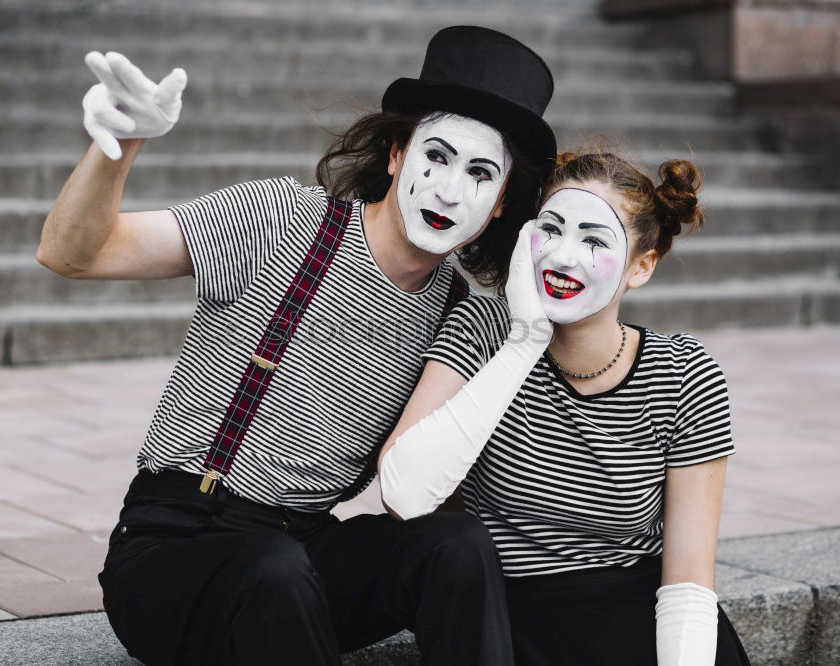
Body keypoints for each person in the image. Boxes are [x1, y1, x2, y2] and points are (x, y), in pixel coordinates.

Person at [36, 26, 557, 666]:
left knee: (456, 545)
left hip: (304, 553)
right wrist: (117, 144)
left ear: (502, 203)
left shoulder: (456, 311)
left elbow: (409, 495)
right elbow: (72, 254)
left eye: (480, 173)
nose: (451, 190)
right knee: (273, 568)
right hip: (174, 549)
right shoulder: (284, 219)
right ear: (396, 153)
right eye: (438, 156)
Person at [378, 150, 753, 665]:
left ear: (641, 266)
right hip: (514, 619)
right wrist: (524, 341)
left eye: (594, 240)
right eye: (550, 230)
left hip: (639, 617)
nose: (563, 256)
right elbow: (403, 493)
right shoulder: (484, 332)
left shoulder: (685, 372)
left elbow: (688, 582)